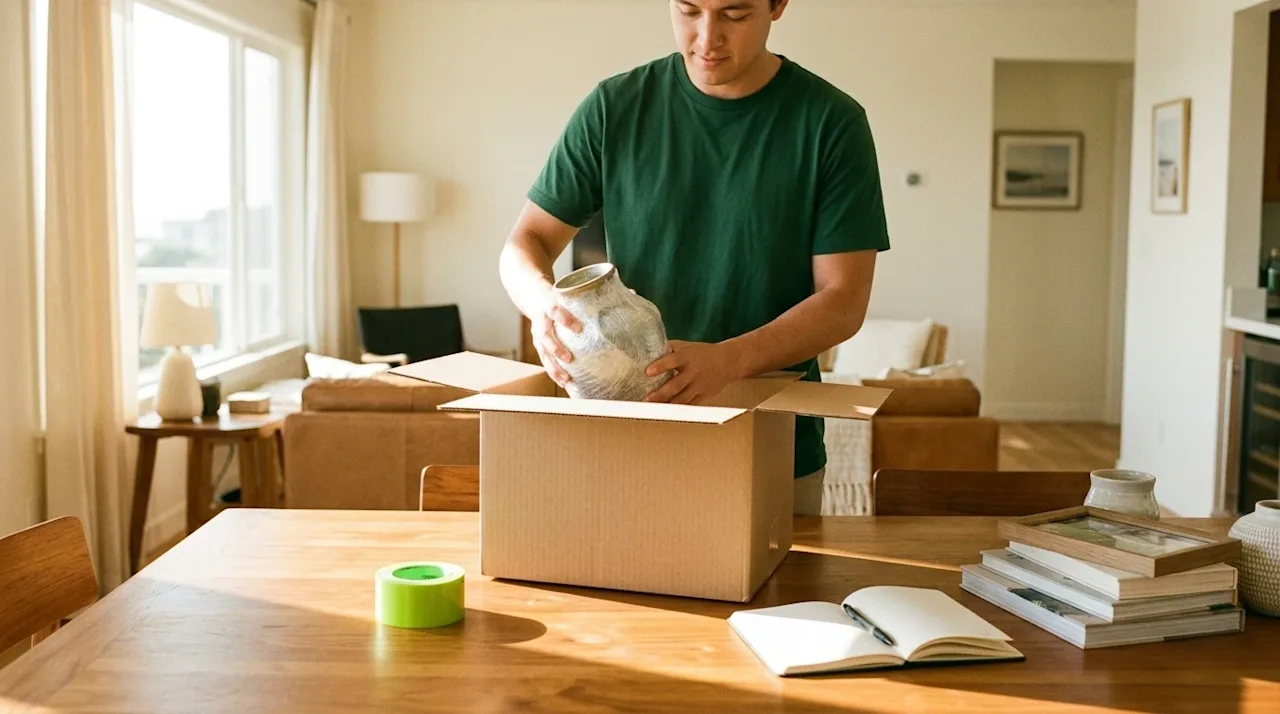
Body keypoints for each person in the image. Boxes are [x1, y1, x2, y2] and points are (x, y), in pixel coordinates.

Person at [497, 0, 890, 516]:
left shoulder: (832, 123)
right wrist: (543, 305)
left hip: (770, 439)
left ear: (777, 6)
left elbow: (843, 301)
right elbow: (525, 241)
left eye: (734, 14)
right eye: (688, 10)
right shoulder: (614, 107)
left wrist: (729, 360)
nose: (707, 39)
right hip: (631, 435)